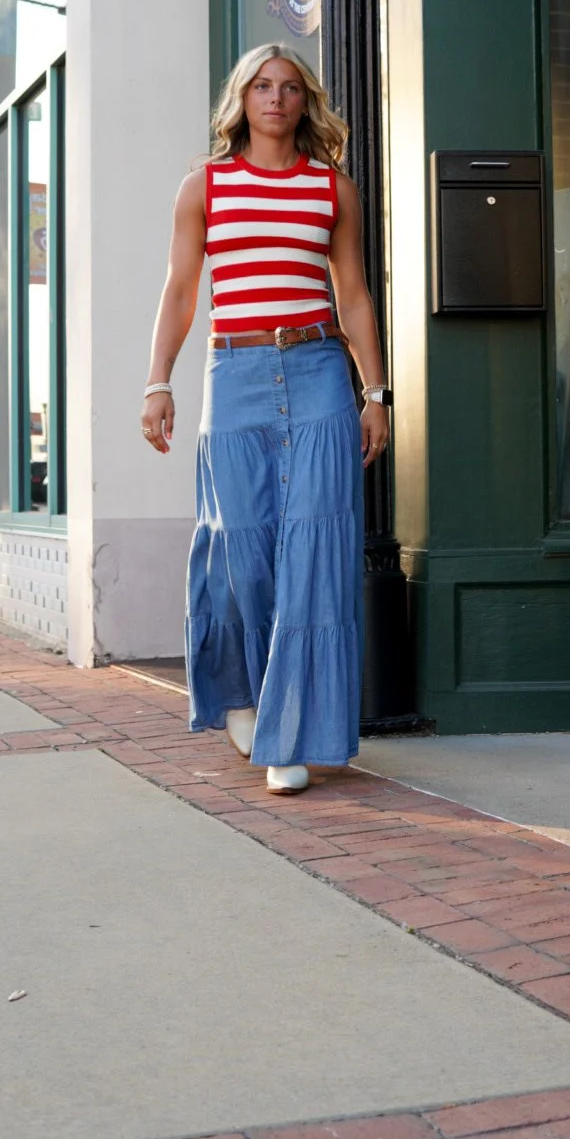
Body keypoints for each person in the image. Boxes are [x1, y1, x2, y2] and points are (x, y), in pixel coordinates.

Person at [141, 43, 391, 796]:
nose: (275, 98)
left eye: (288, 88)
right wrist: (158, 381)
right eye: (261, 86)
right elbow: (182, 289)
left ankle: (290, 734)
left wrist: (374, 394)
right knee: (239, 549)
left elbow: (351, 293)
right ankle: (244, 695)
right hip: (236, 372)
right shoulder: (205, 187)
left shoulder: (330, 188)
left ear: (303, 101)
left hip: (318, 371)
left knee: (314, 550)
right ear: (241, 101)